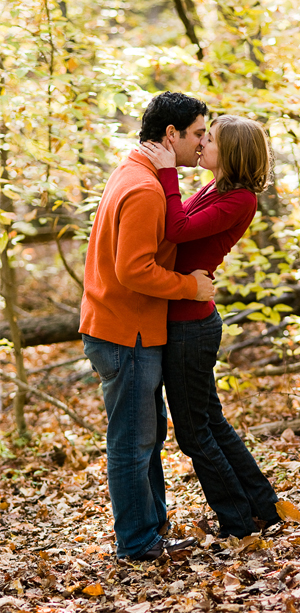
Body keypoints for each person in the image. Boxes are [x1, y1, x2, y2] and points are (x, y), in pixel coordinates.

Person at [80, 92, 214, 561]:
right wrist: (189, 288)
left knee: (146, 435)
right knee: (133, 442)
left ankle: (150, 532)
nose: (203, 144)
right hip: (125, 333)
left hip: (124, 328)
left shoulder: (138, 171)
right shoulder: (143, 188)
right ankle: (138, 545)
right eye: (198, 133)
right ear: (171, 134)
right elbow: (133, 270)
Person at [137, 115, 281, 540]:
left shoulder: (240, 199)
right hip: (187, 319)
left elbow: (176, 228)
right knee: (211, 423)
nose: (201, 145)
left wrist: (166, 171)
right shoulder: (217, 188)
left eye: (210, 139)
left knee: (195, 433)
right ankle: (264, 508)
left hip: (190, 328)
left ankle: (237, 524)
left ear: (232, 152)